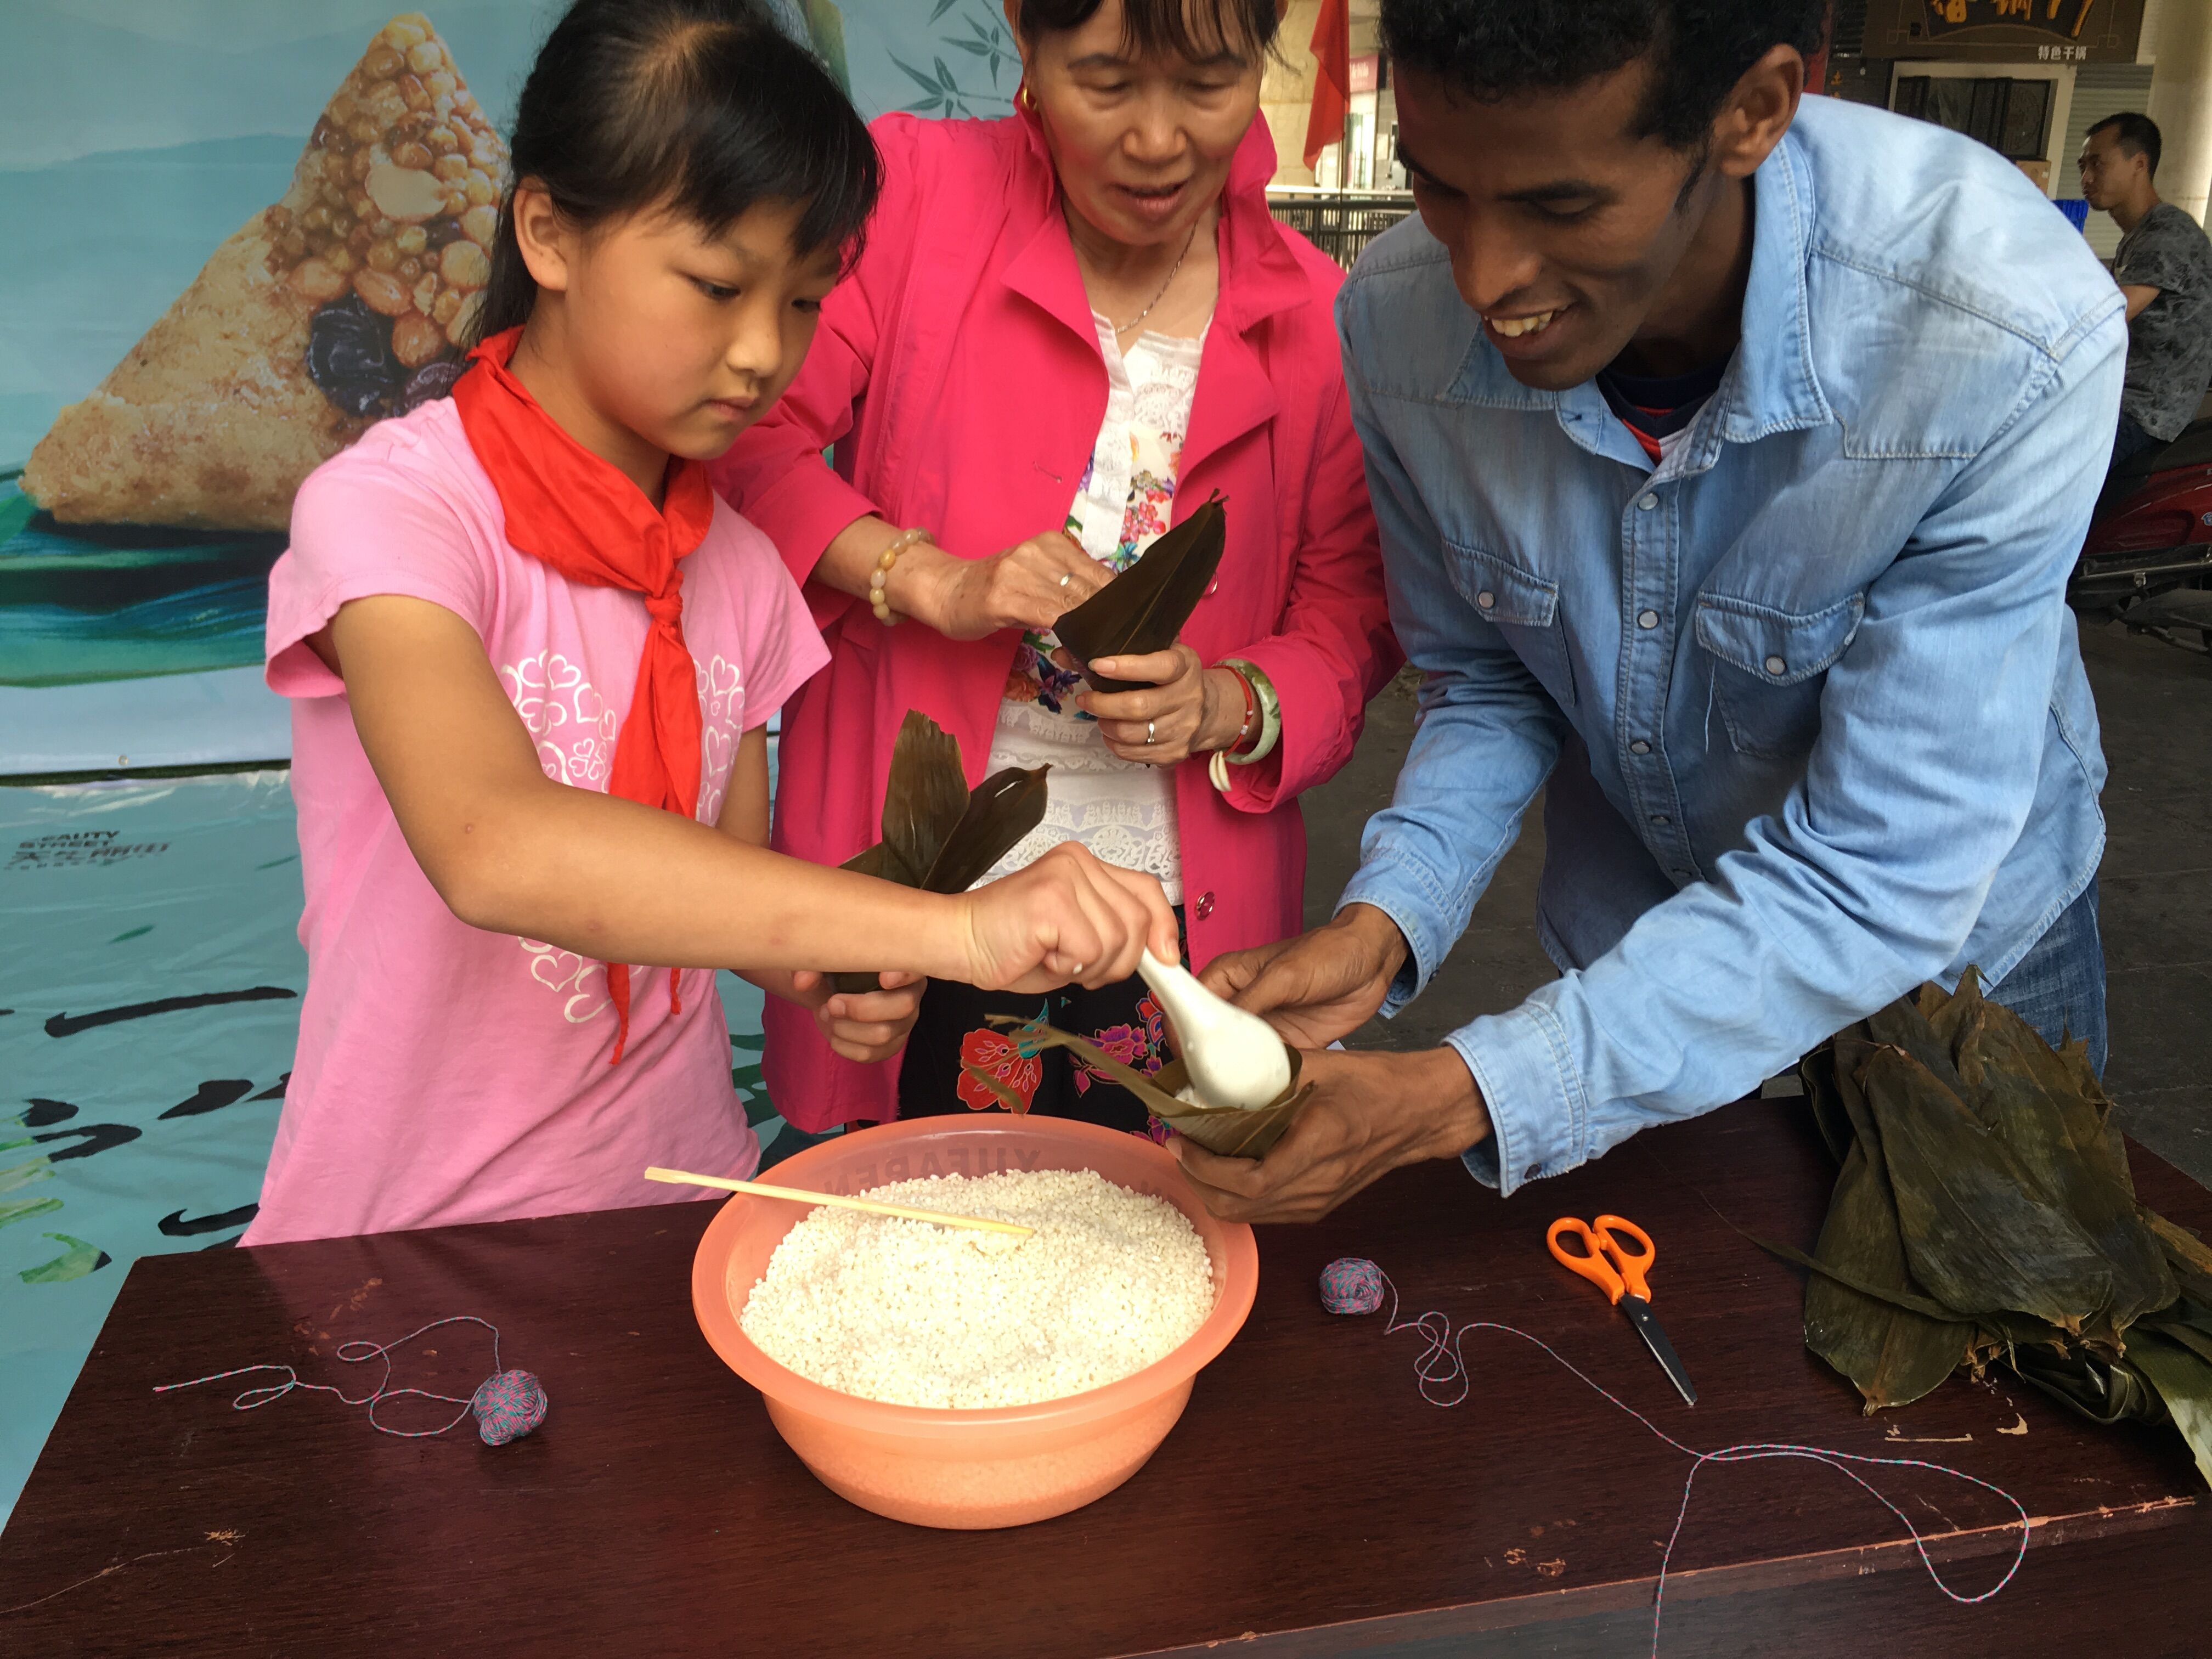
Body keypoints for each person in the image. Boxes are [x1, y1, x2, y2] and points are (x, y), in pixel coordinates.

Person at [244, 0, 1178, 1246]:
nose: (760, 354)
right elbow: (491, 844)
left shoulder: (733, 562)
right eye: (719, 286)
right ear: (548, 233)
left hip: (682, 1196)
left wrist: (835, 972)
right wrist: (954, 927)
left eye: (802, 301)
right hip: (409, 1226)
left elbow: (728, 882)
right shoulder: (398, 512)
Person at [1172, 0, 2122, 1224]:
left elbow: (1880, 861)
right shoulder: (1399, 327)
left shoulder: (1996, 333)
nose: (1483, 278)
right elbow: (1486, 674)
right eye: (1439, 187)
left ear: (1752, 113)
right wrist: (1387, 916)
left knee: (2001, 1307)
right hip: (1635, 949)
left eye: (1561, 206)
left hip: (1965, 962)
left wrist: (1463, 1094)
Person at [712, 0, 1397, 1139]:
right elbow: (747, 443)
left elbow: (1349, 613)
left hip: (1178, 919)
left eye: (1209, 83)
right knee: (915, 1211)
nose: (1158, 140)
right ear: (1025, 42)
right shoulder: (909, 198)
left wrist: (1226, 701)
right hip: (918, 897)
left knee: (1154, 1217)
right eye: (1108, 82)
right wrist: (930, 579)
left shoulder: (1318, 319)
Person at [2077, 111, 2212, 478]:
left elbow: (2104, 320)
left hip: (2141, 414)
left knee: (2034, 487)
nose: (2086, 178)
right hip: (2118, 401)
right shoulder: (2138, 238)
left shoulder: (2168, 234)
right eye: (2083, 166)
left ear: (2139, 164)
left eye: (2097, 164)